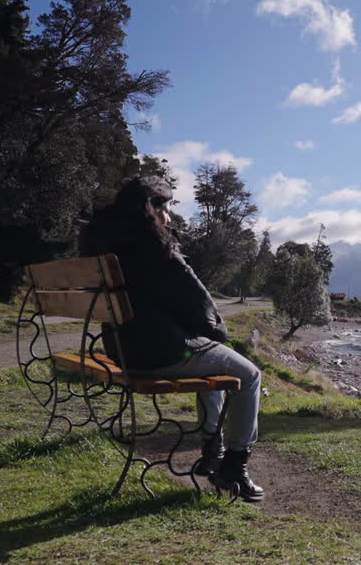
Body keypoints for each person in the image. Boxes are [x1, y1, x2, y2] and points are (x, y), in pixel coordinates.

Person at [79, 176, 264, 502]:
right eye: (165, 209)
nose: (169, 218)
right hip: (160, 354)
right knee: (248, 374)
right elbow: (199, 303)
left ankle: (212, 451)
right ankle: (234, 465)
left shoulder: (104, 245)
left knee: (214, 361)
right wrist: (219, 334)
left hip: (122, 351)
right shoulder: (157, 246)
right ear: (151, 209)